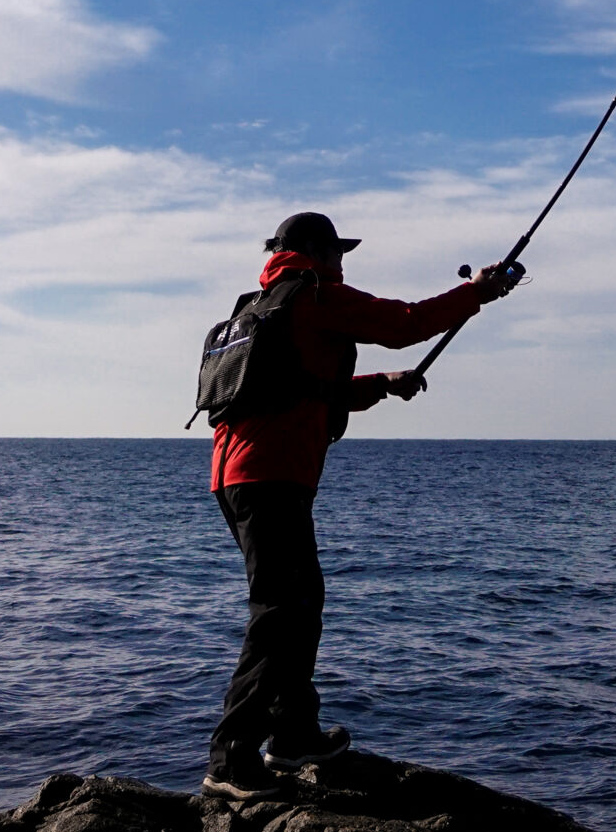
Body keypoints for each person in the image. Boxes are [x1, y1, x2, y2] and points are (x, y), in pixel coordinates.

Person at [201, 210, 523, 799]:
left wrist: (380, 384)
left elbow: (305, 390)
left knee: (298, 604)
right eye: (339, 253)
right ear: (316, 253)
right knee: (280, 612)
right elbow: (405, 322)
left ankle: (294, 736)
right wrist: (478, 291)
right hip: (270, 475)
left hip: (239, 475)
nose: (344, 264)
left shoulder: (260, 305)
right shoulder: (317, 293)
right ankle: (231, 760)